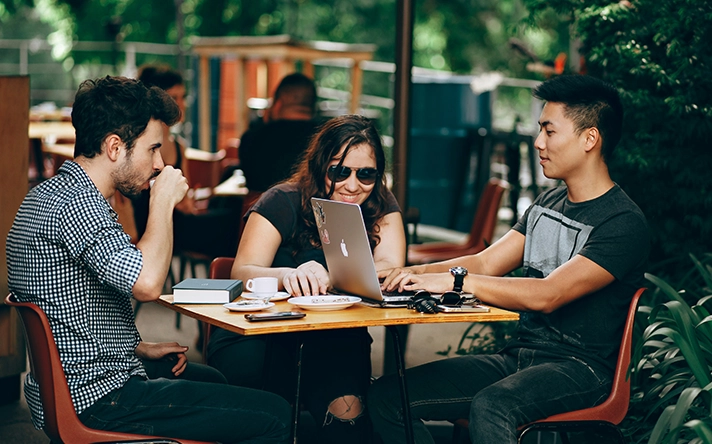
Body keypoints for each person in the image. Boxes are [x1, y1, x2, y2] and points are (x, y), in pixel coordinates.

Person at [6, 75, 291, 443]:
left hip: (74, 386)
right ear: (114, 147)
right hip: (99, 398)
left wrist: (134, 347)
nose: (159, 164)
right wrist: (161, 203)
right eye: (152, 149)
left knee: (214, 379)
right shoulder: (78, 205)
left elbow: (68, 304)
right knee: (276, 416)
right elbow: (148, 284)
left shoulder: (51, 194)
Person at [368, 74, 650, 444]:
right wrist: (408, 273)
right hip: (520, 358)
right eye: (540, 130)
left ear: (589, 139)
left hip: (582, 370)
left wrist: (455, 281)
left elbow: (548, 294)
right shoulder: (546, 204)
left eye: (549, 131)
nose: (538, 142)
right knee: (387, 397)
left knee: (492, 406)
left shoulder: (622, 222)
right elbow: (486, 263)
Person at [207, 114, 406, 443]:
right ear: (320, 166)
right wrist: (290, 275)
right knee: (270, 420)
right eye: (340, 172)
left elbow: (388, 266)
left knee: (349, 427)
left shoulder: (379, 204)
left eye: (366, 174)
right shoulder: (282, 200)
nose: (353, 185)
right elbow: (241, 272)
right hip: (262, 337)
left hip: (335, 340)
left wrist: (332, 275)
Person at [132, 64, 194, 238]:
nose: (181, 104)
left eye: (183, 97)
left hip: (176, 226)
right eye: (174, 97)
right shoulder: (136, 146)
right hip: (144, 228)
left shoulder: (179, 147)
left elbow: (186, 199)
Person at [238, 72, 321, 192]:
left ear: (278, 104)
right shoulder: (325, 139)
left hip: (259, 208)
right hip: (308, 209)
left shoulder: (251, 137)